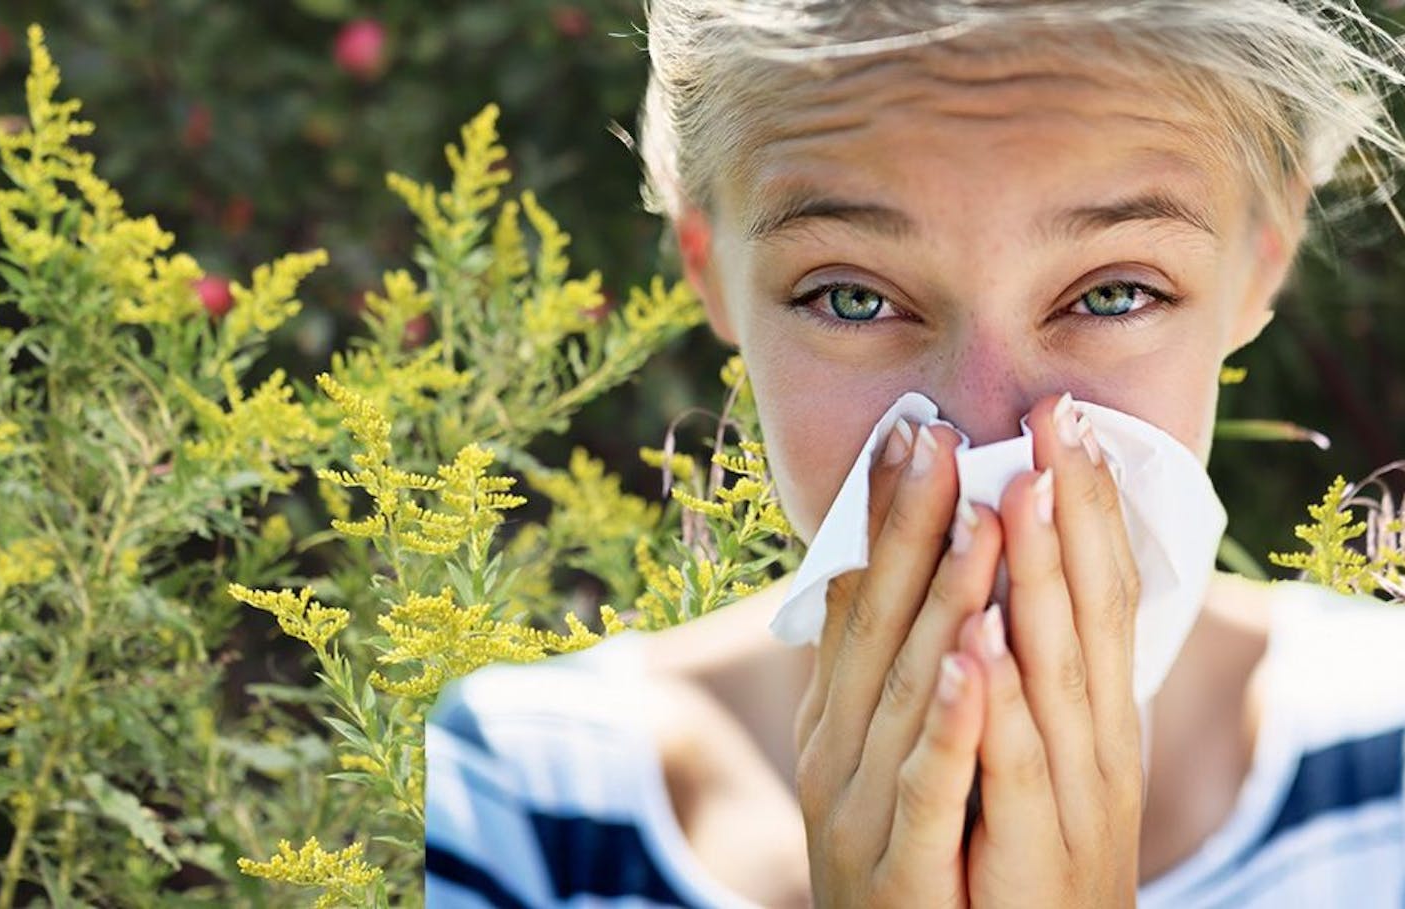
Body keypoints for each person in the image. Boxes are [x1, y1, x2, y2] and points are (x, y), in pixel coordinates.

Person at [424, 1, 1405, 905]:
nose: (980, 440)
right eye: (852, 297)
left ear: (1258, 260)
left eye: (1111, 294)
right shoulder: (511, 805)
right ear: (709, 271)